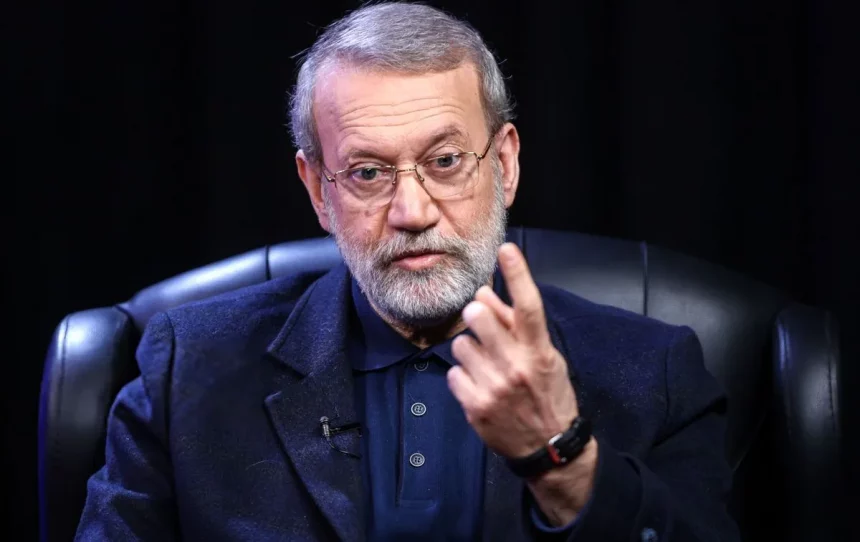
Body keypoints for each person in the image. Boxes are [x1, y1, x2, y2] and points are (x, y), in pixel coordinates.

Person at [75, 2, 740, 541]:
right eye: (367, 172)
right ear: (318, 191)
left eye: (445, 161)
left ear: (504, 164)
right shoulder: (187, 368)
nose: (412, 212)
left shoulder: (654, 374)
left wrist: (561, 461)